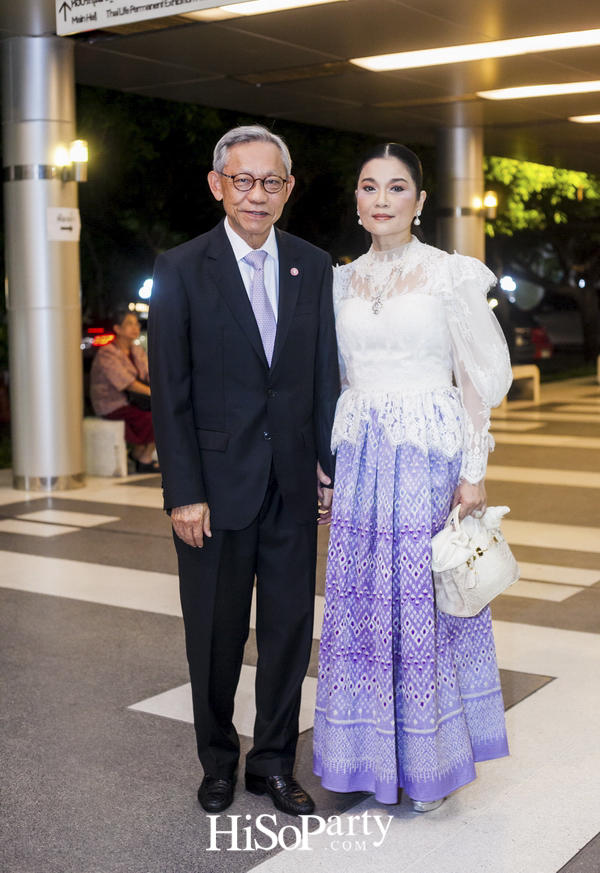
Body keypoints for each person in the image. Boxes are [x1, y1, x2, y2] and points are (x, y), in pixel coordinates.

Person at [314, 143, 513, 813]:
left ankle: (430, 761)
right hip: (364, 455)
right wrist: (329, 459)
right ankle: (363, 758)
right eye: (369, 187)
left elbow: (475, 378)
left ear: (420, 202)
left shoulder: (448, 275)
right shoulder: (340, 281)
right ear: (357, 200)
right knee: (363, 608)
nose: (380, 200)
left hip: (427, 454)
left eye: (396, 188)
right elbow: (336, 377)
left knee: (424, 604)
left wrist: (473, 470)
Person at [148, 125, 340, 816]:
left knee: (289, 632)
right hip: (214, 490)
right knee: (215, 635)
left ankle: (273, 763)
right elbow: (169, 390)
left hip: (291, 485)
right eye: (243, 180)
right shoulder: (180, 267)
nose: (256, 195)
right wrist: (184, 493)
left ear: (288, 190)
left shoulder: (314, 266)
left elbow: (322, 378)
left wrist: (327, 464)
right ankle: (218, 760)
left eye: (271, 182)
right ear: (217, 184)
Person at [90, 308, 158, 473]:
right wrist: (153, 394)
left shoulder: (137, 350)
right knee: (152, 417)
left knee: (164, 414)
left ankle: (140, 454)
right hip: (113, 403)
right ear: (117, 329)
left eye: (136, 324)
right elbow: (126, 383)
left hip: (135, 401)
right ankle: (143, 458)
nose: (135, 328)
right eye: (129, 324)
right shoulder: (107, 352)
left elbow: (150, 373)